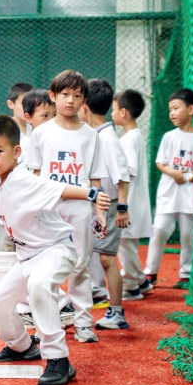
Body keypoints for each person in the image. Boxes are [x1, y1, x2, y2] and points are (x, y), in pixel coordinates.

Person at [0, 114, 110, 385]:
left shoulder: (21, 179)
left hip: (55, 250)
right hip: (28, 256)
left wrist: (91, 194)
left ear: (16, 153)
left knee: (39, 286)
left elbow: (58, 187)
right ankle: (22, 347)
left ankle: (59, 360)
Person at [25, 70, 107, 343]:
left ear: (84, 100)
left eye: (77, 95)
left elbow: (94, 177)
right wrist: (31, 208)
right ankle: (45, 322)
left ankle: (84, 323)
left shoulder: (91, 135)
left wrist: (100, 212)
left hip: (80, 207)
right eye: (64, 95)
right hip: (48, 207)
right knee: (43, 266)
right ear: (53, 96)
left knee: (80, 265)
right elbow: (34, 174)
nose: (70, 100)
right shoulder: (41, 133)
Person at [15, 88, 74, 331]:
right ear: (28, 117)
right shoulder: (25, 144)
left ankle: (58, 305)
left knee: (42, 264)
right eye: (44, 116)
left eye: (52, 115)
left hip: (42, 216)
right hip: (22, 216)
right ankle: (37, 307)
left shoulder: (48, 140)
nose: (49, 121)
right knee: (25, 264)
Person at [79, 79, 131, 330]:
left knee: (108, 260)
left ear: (85, 105)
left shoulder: (107, 138)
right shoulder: (97, 135)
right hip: (103, 205)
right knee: (98, 257)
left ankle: (117, 312)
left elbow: (122, 176)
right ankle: (97, 297)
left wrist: (121, 209)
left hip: (110, 206)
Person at [145, 89, 193, 289]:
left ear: (191, 110)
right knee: (160, 229)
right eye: (170, 109)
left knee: (188, 235)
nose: (172, 113)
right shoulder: (169, 136)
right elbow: (160, 162)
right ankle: (150, 272)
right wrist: (173, 172)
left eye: (176, 108)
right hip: (169, 193)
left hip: (190, 195)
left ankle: (186, 274)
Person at [113, 90, 154, 299]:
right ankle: (140, 279)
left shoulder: (129, 139)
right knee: (128, 244)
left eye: (114, 110)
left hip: (129, 202)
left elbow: (127, 172)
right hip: (134, 201)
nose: (112, 114)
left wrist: (122, 206)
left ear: (124, 112)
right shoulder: (135, 135)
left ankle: (131, 285)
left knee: (124, 244)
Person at [0, 83, 33, 252]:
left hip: (27, 211)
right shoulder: (2, 132)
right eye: (23, 103)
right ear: (11, 104)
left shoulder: (36, 133)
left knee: (28, 261)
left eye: (31, 103)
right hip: (6, 209)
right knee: (4, 260)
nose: (28, 108)